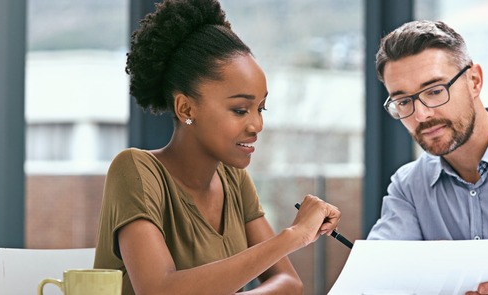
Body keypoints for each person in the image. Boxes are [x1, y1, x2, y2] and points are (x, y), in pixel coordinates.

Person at [93, 0, 342, 294]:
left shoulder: (233, 179)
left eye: (261, 108)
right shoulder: (135, 170)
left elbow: (290, 284)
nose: (257, 125)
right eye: (240, 110)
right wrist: (293, 236)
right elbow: (158, 289)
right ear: (186, 108)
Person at [366, 20, 488, 294]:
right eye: (404, 101)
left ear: (474, 81)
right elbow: (378, 278)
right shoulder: (409, 186)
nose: (421, 115)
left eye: (434, 91)